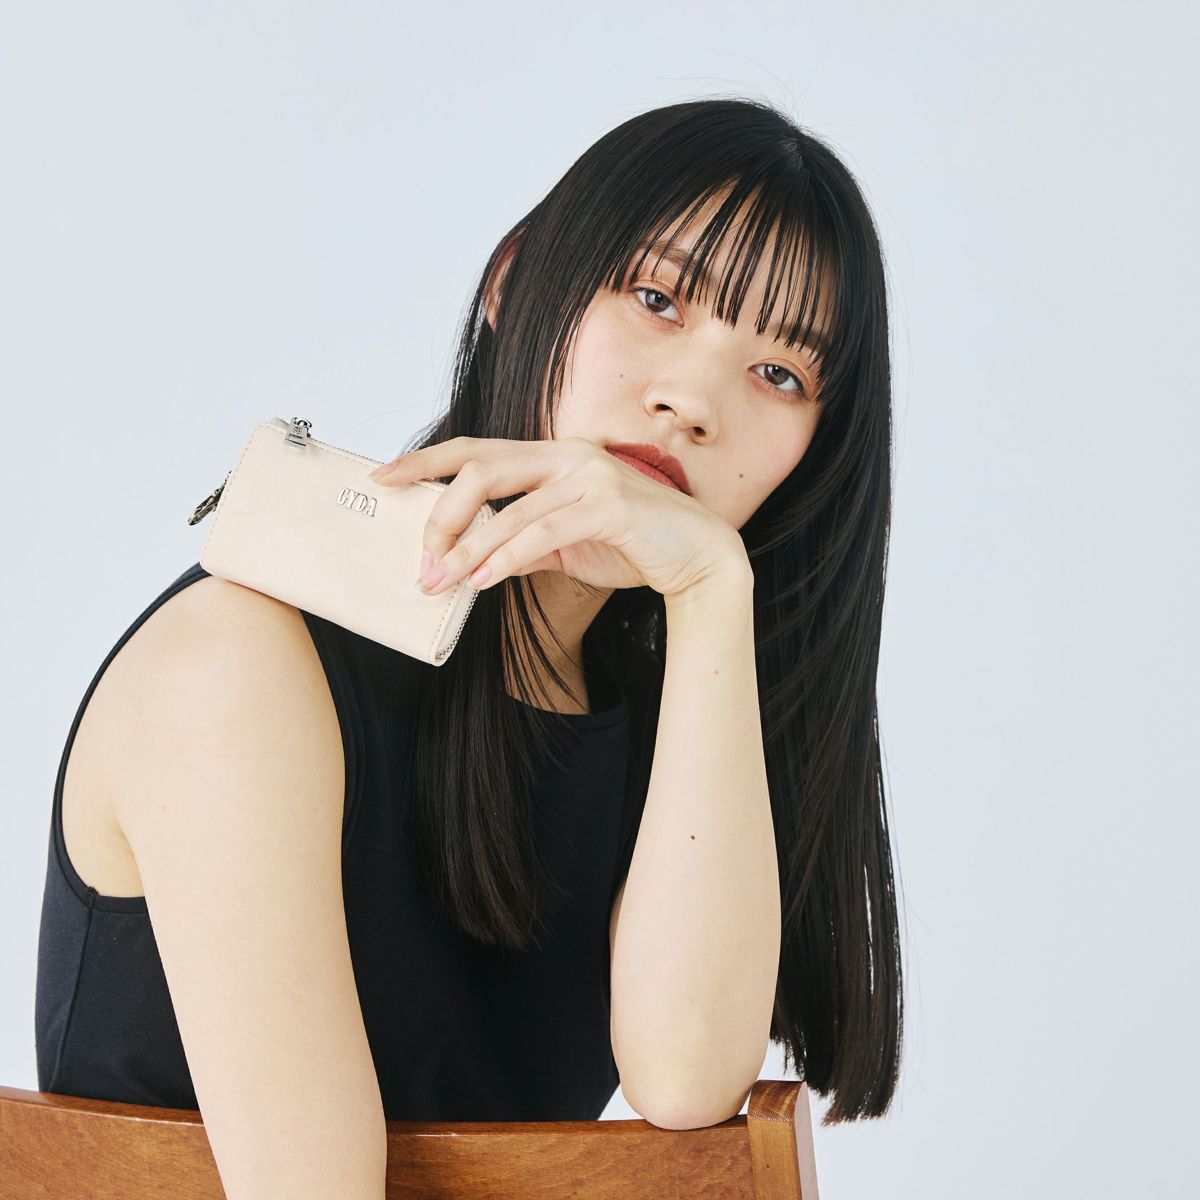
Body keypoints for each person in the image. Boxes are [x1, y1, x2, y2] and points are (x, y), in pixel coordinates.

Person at [34, 96, 902, 1198]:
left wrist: (711, 590)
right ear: (512, 279)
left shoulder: (675, 714)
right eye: (656, 298)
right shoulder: (238, 662)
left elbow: (685, 1083)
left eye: (781, 375)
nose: (693, 402)